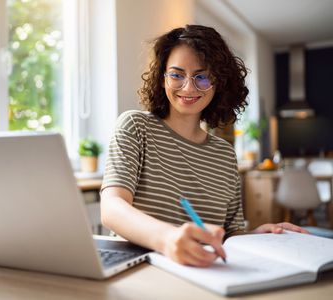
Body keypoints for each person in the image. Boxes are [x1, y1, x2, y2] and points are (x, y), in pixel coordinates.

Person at [100, 24, 307, 267]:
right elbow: (112, 208)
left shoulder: (224, 154)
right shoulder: (135, 126)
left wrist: (257, 237)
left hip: (203, 272)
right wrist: (168, 239)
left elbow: (230, 234)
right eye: (177, 74)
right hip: (141, 269)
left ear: (219, 82)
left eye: (202, 76)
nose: (188, 88)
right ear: (162, 77)